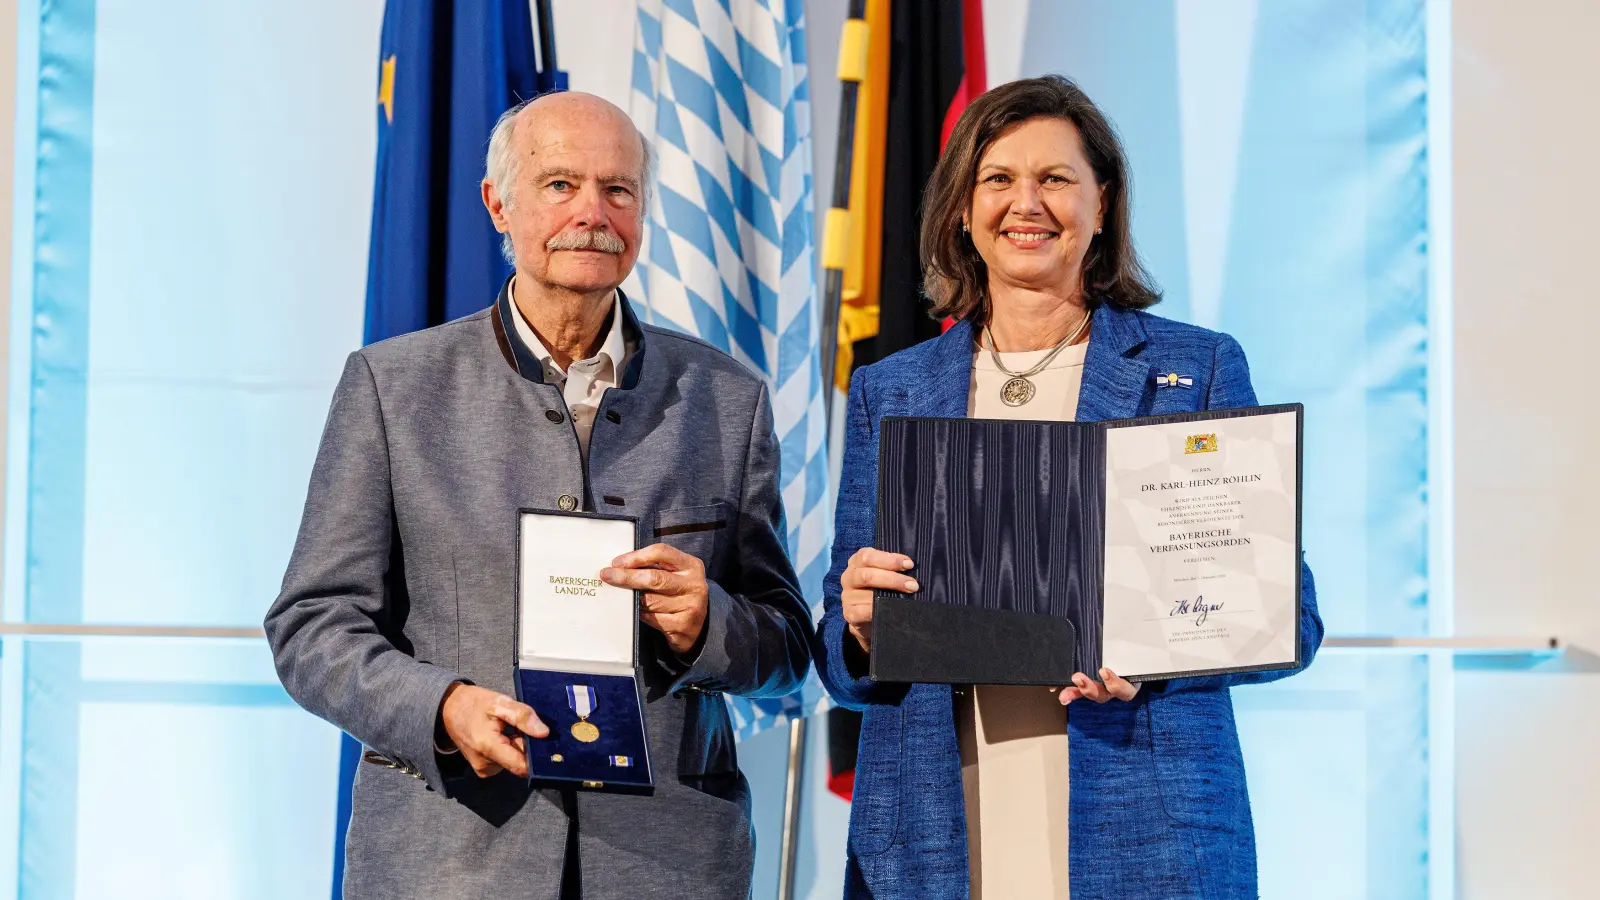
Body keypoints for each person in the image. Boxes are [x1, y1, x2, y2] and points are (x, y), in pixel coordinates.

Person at [266, 92, 814, 900]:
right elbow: (311, 627)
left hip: (670, 867)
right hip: (448, 861)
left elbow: (789, 644)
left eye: (618, 190)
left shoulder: (727, 400)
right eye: (560, 185)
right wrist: (442, 706)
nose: (592, 212)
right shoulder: (392, 386)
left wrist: (710, 623)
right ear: (500, 204)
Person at [815, 75, 1324, 900]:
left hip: (1143, 829)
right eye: (998, 179)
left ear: (1102, 204)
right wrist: (864, 630)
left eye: (1055, 179)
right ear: (961, 209)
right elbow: (841, 654)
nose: (1027, 203)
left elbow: (1288, 620)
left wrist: (1152, 651)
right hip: (937, 829)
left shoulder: (1196, 371)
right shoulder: (892, 391)